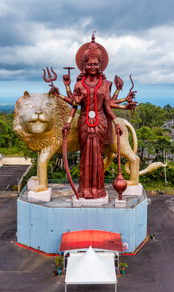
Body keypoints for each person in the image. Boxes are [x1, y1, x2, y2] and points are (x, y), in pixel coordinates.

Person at [53, 35, 134, 199]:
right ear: (84, 65)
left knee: (97, 156)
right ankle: (84, 190)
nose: (93, 66)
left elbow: (107, 107)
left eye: (96, 64)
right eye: (89, 63)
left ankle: (98, 189)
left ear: (101, 65)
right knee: (85, 156)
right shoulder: (78, 84)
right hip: (84, 122)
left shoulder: (106, 84)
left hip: (101, 123)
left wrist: (116, 122)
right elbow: (75, 106)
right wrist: (68, 123)